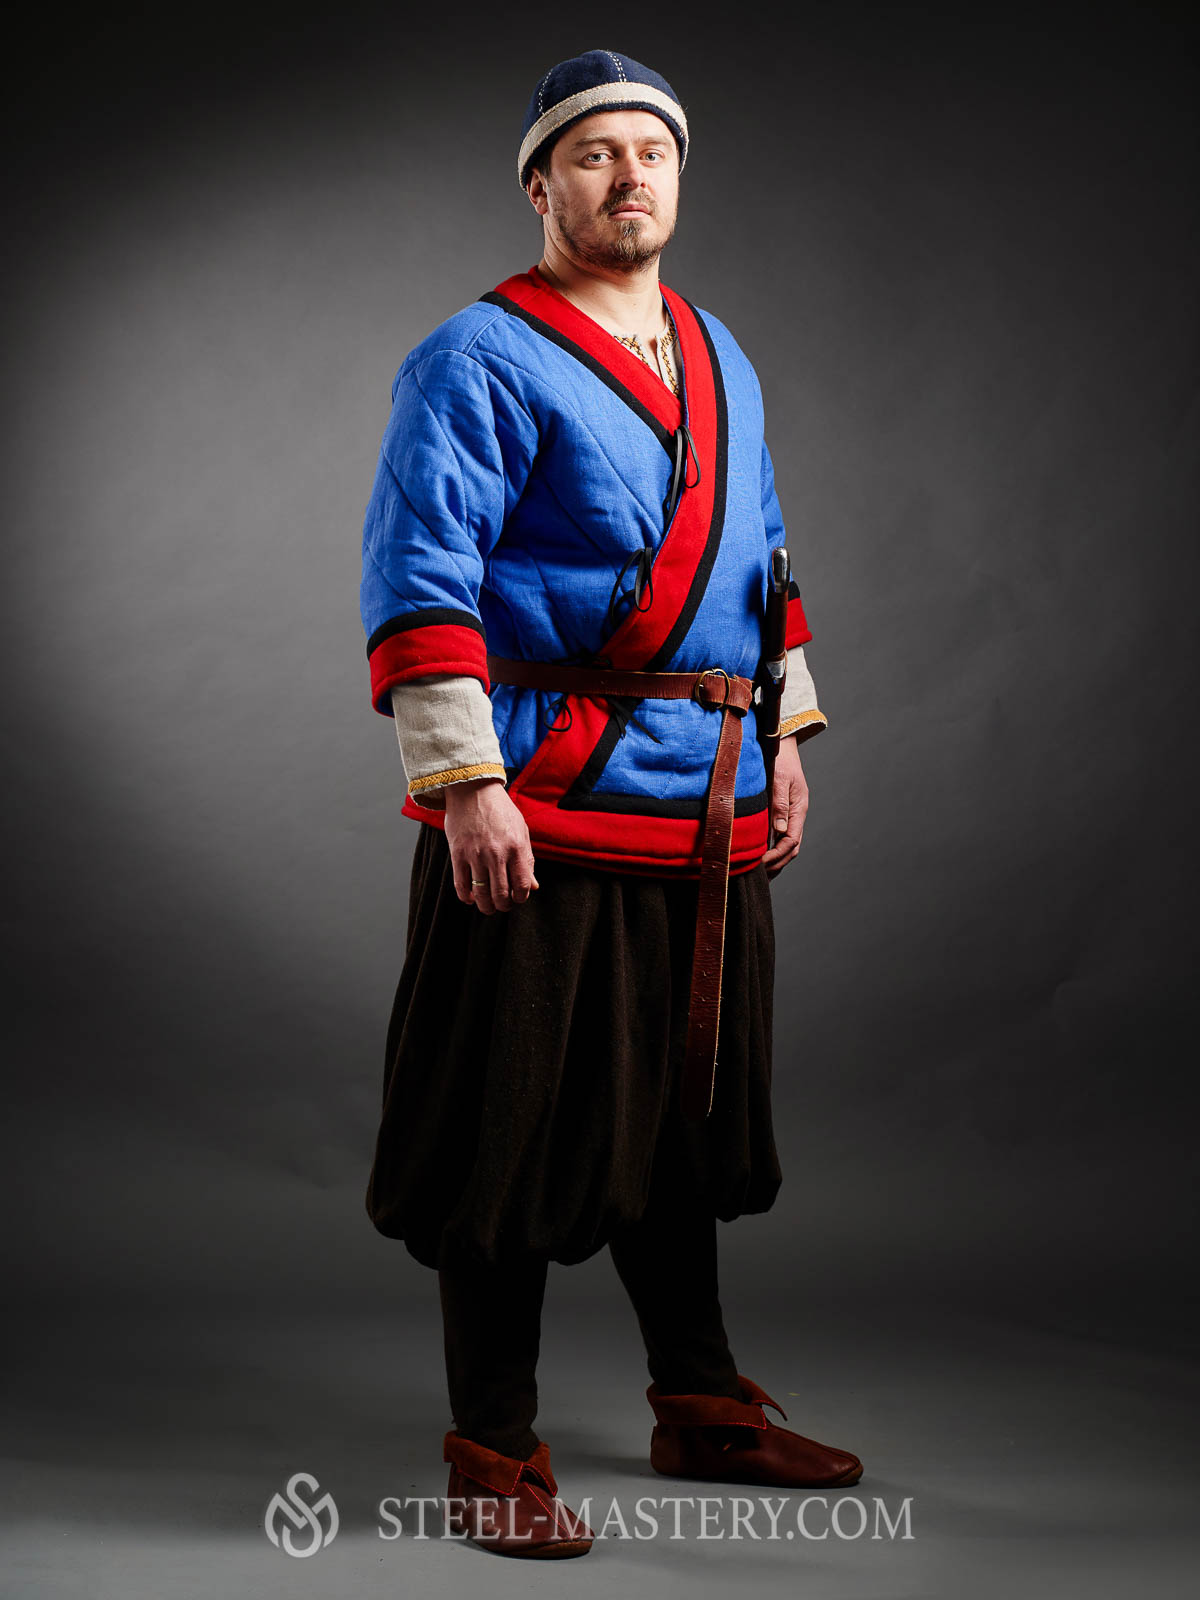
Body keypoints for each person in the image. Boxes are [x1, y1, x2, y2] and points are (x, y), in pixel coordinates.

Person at [358, 48, 862, 1559]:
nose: (629, 175)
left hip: (707, 802)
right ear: (541, 185)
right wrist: (465, 787)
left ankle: (698, 1401)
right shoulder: (472, 356)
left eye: (653, 151)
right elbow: (421, 572)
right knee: (510, 1123)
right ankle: (491, 1445)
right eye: (593, 154)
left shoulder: (723, 353)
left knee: (681, 1117)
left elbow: (761, 554)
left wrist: (784, 731)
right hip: (547, 796)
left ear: (679, 177)